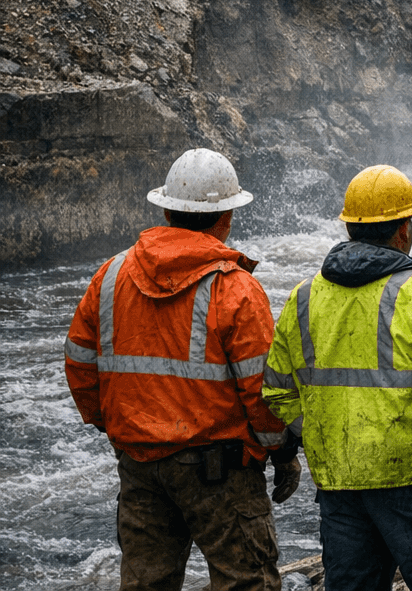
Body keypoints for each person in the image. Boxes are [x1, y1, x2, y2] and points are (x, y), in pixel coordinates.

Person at [65, 148, 297, 591]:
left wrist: (113, 423)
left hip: (139, 462)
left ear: (168, 209)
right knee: (245, 582)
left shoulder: (110, 276)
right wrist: (282, 452)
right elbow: (263, 390)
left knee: (145, 583)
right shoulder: (236, 289)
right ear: (225, 217)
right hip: (220, 472)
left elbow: (78, 361)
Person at [263, 165, 412, 591]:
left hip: (340, 483)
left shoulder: (303, 297)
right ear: (404, 231)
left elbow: (277, 391)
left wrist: (320, 433)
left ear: (349, 228)